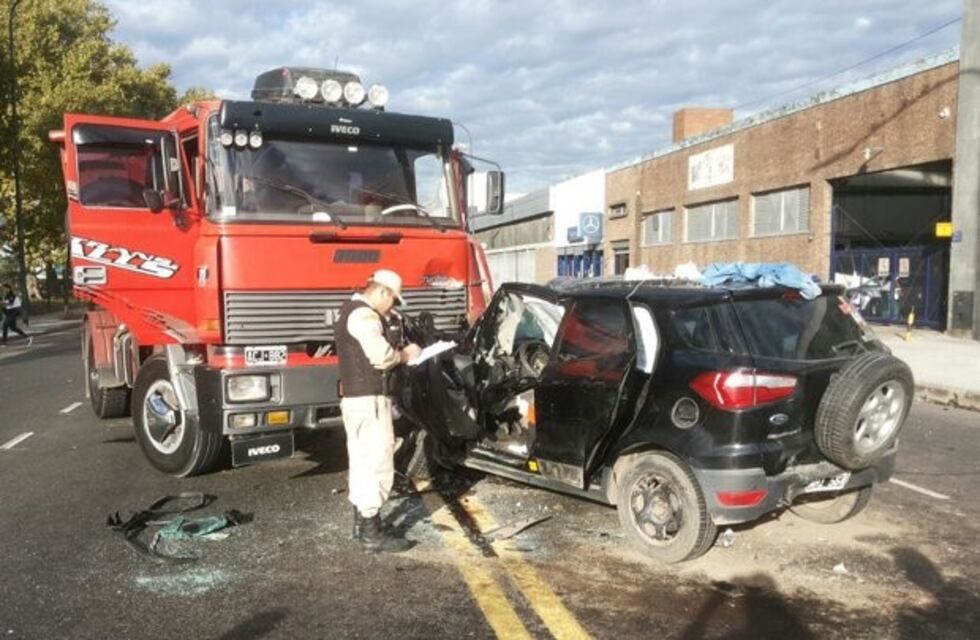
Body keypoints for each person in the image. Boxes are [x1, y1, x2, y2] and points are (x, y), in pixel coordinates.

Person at [335, 269, 421, 552]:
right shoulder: (364, 315)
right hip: (369, 401)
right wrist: (405, 354)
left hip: (358, 400)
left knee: (362, 462)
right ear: (383, 291)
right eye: (393, 300)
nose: (392, 307)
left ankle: (363, 525)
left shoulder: (349, 310)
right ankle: (372, 532)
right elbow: (381, 357)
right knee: (378, 462)